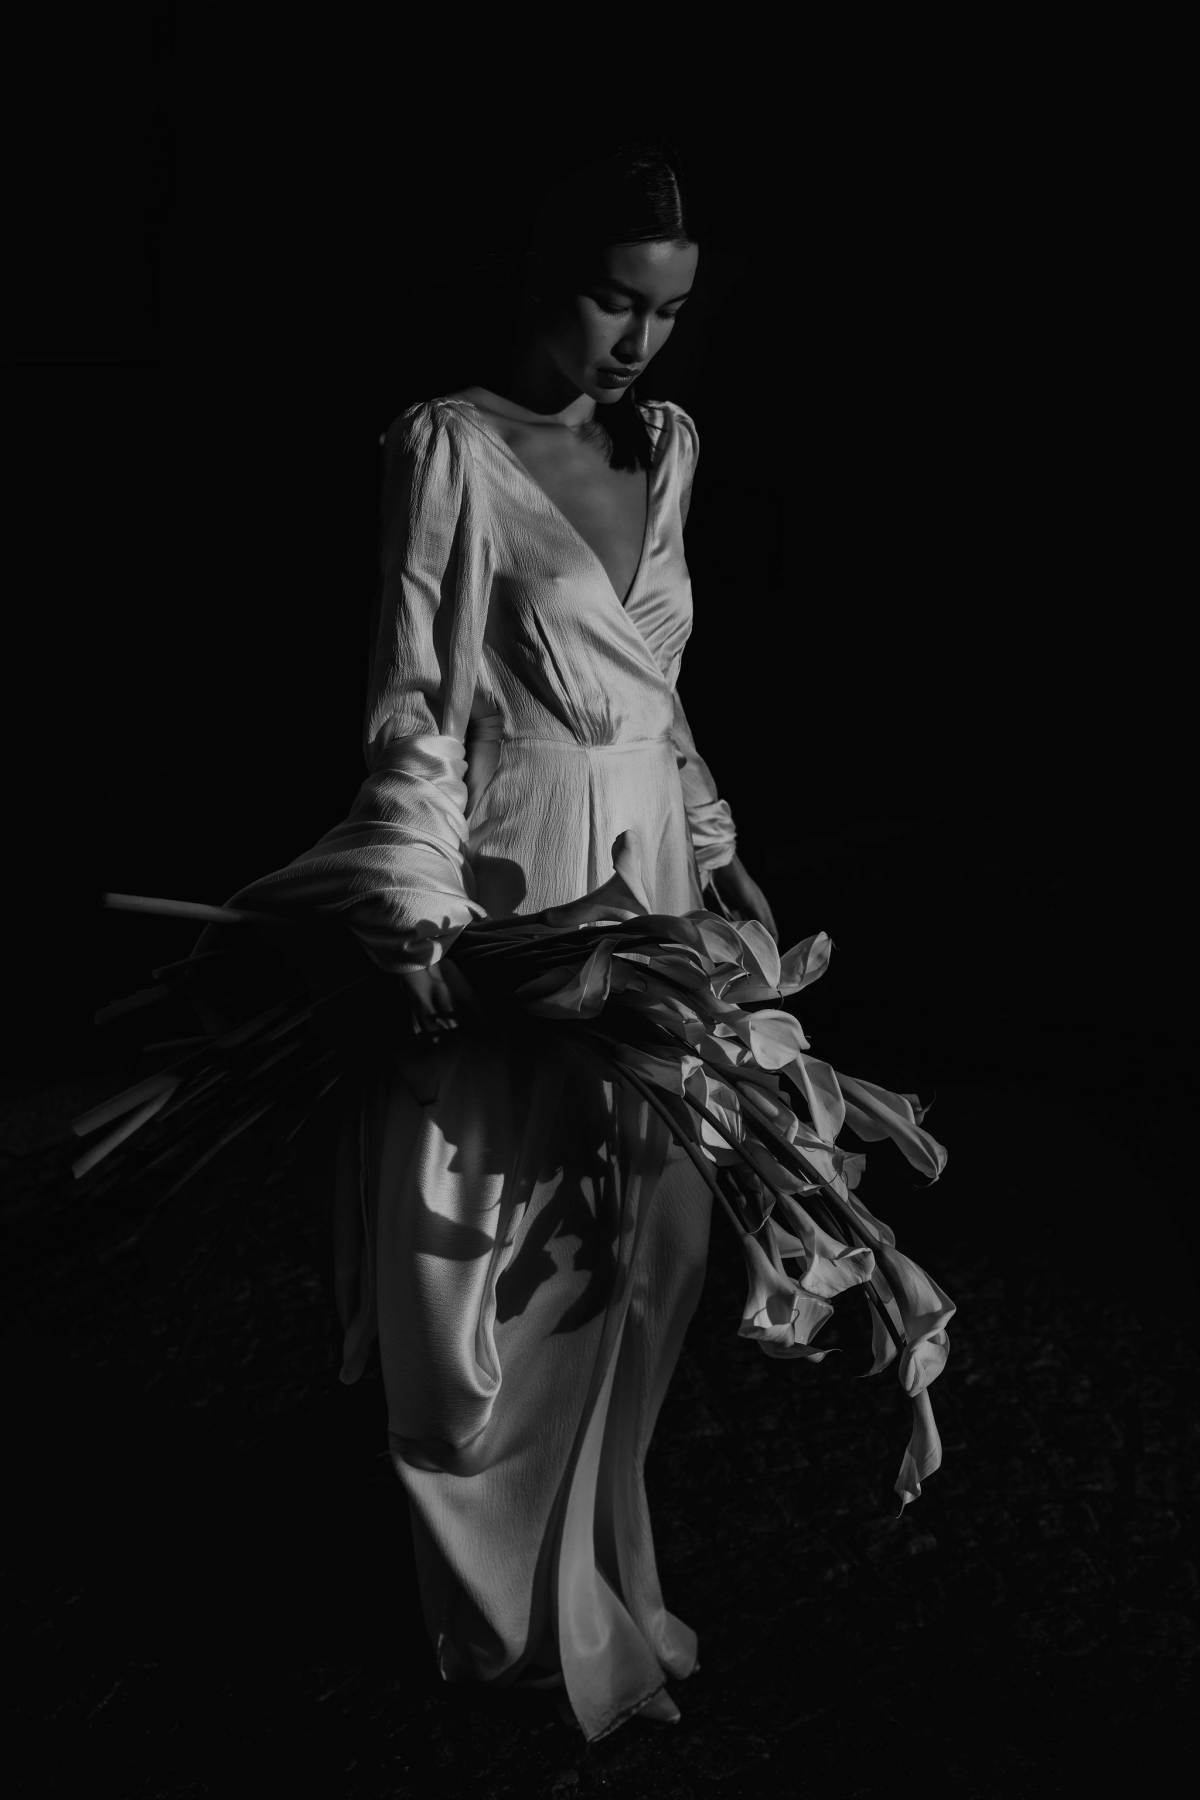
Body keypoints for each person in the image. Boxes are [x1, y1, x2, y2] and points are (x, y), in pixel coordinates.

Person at [226, 141, 778, 1741]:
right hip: (514, 875)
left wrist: (717, 846)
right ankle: (508, 1622)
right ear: (543, 278)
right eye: (613, 301)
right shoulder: (452, 447)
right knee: (496, 1255)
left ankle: (597, 1592)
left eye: (665, 313)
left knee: (656, 1244)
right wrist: (412, 908)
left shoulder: (668, 447)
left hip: (649, 880)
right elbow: (415, 698)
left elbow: (660, 694)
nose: (638, 342)